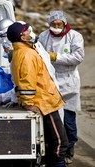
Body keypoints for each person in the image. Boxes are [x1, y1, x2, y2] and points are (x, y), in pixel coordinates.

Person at [7, 21, 68, 167]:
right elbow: (27, 81)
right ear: (22, 37)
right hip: (45, 103)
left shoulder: (21, 51)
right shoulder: (27, 54)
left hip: (44, 101)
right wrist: (28, 103)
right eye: (28, 31)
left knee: (52, 142)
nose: (31, 33)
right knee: (60, 144)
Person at [38, 10, 85, 164]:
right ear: (49, 24)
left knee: (69, 122)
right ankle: (54, 150)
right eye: (53, 24)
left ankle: (69, 149)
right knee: (53, 121)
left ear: (64, 23)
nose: (56, 26)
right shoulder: (44, 36)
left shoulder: (74, 36)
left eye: (59, 24)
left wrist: (56, 57)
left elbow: (78, 57)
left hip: (68, 82)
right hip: (51, 81)